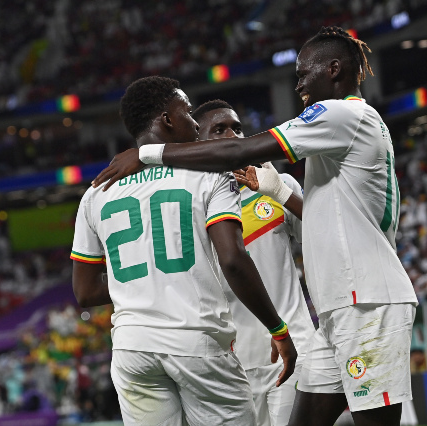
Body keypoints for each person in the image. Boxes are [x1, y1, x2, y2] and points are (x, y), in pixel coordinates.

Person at [92, 26, 418, 426]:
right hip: (334, 313)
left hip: (366, 302)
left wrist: (149, 154)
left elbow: (242, 149)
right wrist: (277, 189)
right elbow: (325, 220)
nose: (298, 83)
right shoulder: (335, 138)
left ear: (333, 69)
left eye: (303, 73)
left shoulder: (341, 113)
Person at [71, 76, 297, 425]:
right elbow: (233, 260)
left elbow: (85, 292)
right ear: (167, 120)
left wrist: (144, 286)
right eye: (189, 113)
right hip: (196, 339)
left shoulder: (95, 194)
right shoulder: (209, 176)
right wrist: (278, 329)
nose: (194, 122)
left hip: (132, 347)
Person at [193, 100, 315, 426]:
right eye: (219, 129)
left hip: (294, 348)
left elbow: (322, 234)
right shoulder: (193, 208)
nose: (233, 134)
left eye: (237, 127)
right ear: (197, 144)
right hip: (232, 366)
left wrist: (278, 191)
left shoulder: (278, 186)